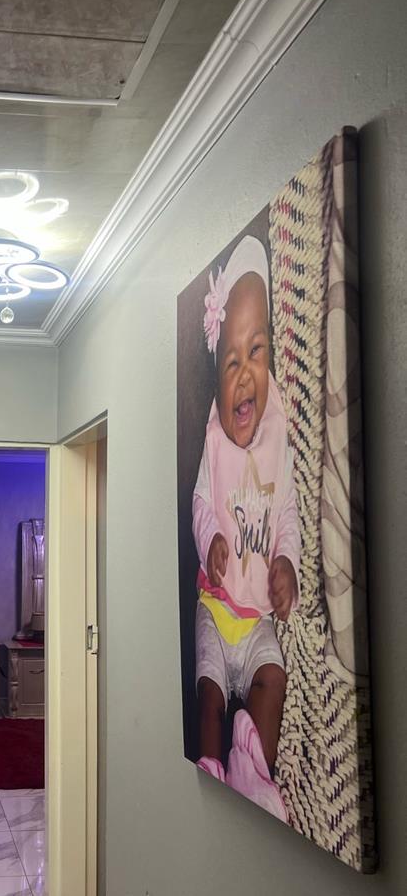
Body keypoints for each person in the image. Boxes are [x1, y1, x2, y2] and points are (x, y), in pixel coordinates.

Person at [192, 235, 300, 822]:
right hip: (217, 609)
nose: (244, 375)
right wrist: (209, 536)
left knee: (272, 677)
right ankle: (212, 765)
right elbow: (200, 502)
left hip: (256, 618)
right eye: (230, 362)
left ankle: (254, 770)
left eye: (255, 352)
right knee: (209, 691)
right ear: (216, 381)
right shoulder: (214, 442)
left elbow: (286, 514)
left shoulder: (277, 439)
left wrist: (285, 562)